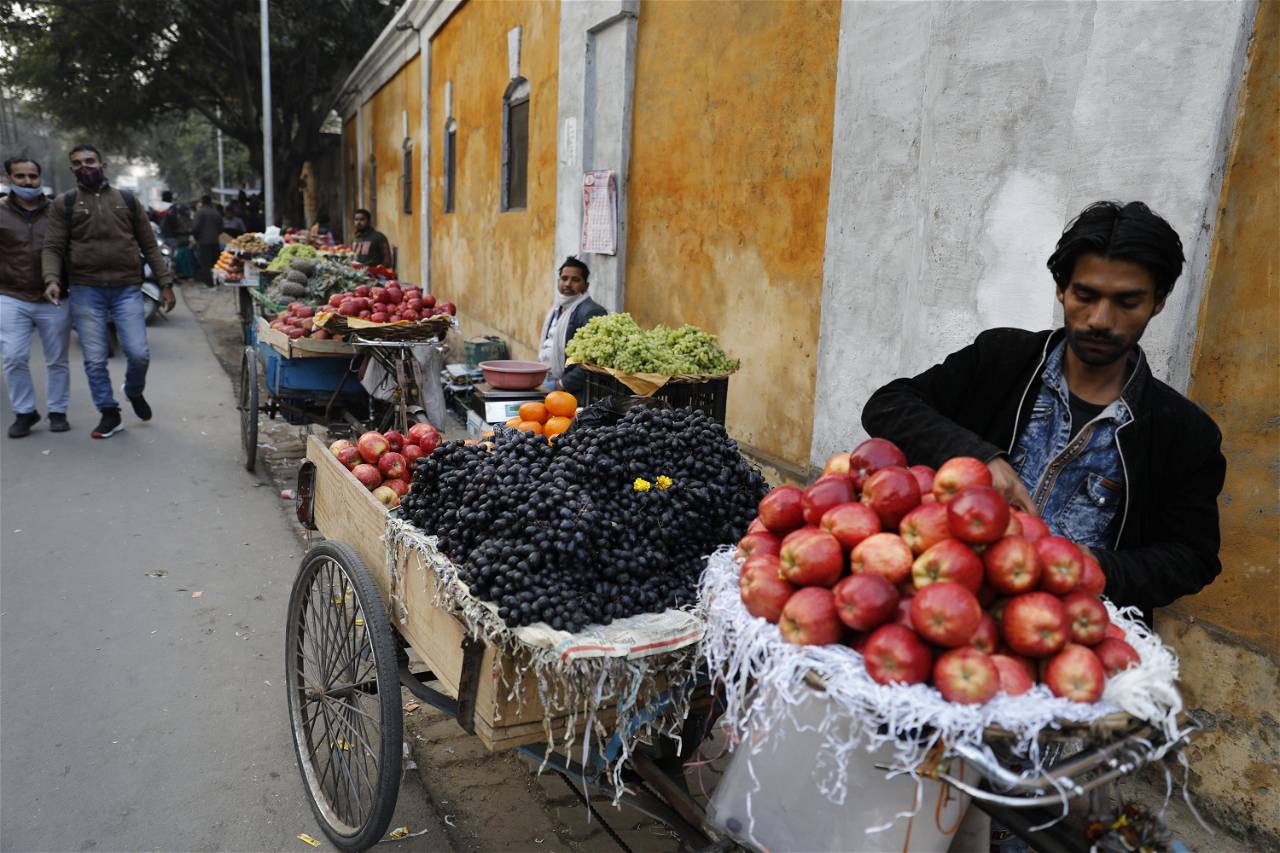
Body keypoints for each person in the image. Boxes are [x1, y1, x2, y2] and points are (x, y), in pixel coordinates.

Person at [862, 201, 1225, 624]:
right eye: (1085, 296)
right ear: (1061, 289)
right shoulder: (1001, 359)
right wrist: (980, 458)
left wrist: (1096, 565)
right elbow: (888, 405)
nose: (1100, 319)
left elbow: (1193, 558)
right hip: (947, 602)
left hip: (1073, 632)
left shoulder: (1185, 432)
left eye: (1128, 302)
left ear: (1158, 303)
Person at [40, 143, 176, 439]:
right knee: (95, 359)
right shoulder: (65, 203)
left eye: (90, 161)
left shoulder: (126, 200)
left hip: (127, 288)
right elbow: (52, 246)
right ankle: (109, 412)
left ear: (103, 165)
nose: (84, 166)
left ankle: (133, 390)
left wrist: (165, 283)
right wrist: (51, 278)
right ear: (71, 169)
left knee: (139, 353)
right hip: (86, 290)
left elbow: (149, 245)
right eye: (77, 163)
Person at [0, 157, 71, 437]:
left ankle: (57, 411)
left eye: (32, 176)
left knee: (57, 359)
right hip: (10, 294)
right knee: (14, 357)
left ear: (39, 178)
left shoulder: (58, 211)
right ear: (8, 179)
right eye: (21, 177)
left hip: (53, 297)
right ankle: (25, 412)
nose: (28, 182)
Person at [537, 256, 608, 394]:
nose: (568, 284)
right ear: (558, 281)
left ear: (585, 285)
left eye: (575, 280)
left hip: (570, 390)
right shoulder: (557, 308)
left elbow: (593, 360)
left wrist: (561, 384)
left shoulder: (592, 312)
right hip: (547, 378)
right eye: (564, 278)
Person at [192, 194, 222, 286]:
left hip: (203, 242)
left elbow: (195, 228)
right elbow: (221, 227)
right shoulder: (216, 212)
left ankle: (209, 282)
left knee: (205, 263)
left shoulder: (200, 212)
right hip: (215, 241)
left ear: (202, 202)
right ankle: (217, 280)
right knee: (215, 263)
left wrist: (197, 238)